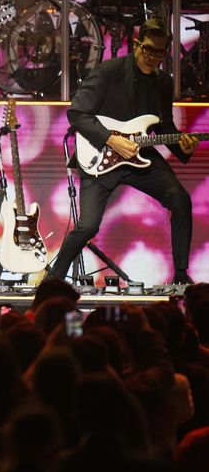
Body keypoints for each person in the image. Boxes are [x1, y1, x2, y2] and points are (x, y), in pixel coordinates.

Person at [49, 18, 199, 285]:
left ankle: (180, 277)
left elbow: (163, 126)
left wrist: (181, 144)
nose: (153, 57)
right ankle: (53, 279)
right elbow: (77, 113)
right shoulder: (109, 71)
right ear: (138, 45)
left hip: (140, 157)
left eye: (160, 52)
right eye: (149, 49)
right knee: (88, 226)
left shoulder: (163, 82)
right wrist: (111, 139)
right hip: (101, 155)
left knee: (180, 199)